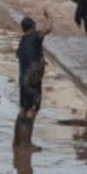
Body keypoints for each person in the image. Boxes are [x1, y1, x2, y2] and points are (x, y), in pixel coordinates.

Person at [14, 9, 53, 150]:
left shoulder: (22, 41)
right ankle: (26, 144)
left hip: (23, 80)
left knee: (23, 109)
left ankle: (17, 141)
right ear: (32, 27)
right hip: (34, 81)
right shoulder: (35, 37)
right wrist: (49, 16)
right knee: (33, 110)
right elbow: (48, 28)